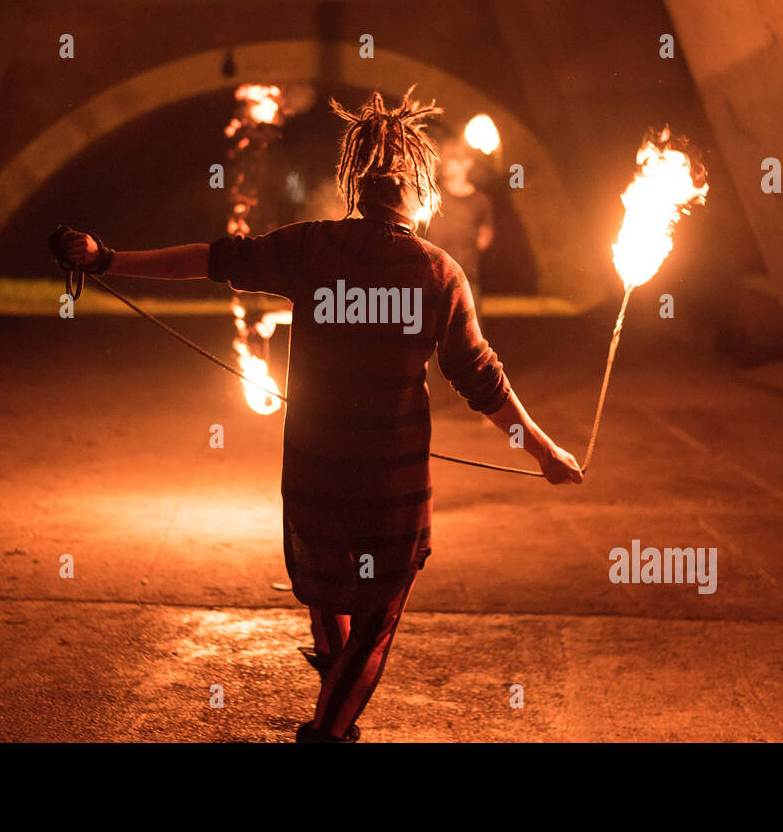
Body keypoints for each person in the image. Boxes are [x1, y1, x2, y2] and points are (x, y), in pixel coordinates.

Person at [60, 87, 581, 743]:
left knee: (329, 593)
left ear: (355, 184)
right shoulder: (438, 273)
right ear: (418, 188)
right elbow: (482, 382)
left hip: (315, 475)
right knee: (377, 624)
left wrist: (110, 258)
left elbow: (214, 259)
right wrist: (543, 452)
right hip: (391, 490)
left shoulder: (310, 249)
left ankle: (334, 713)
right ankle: (328, 734)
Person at [422, 131, 494, 311]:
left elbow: (484, 238)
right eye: (444, 158)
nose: (446, 163)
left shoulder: (480, 201)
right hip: (433, 278)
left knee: (469, 336)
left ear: (467, 163)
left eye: (452, 158)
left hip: (466, 280)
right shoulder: (432, 196)